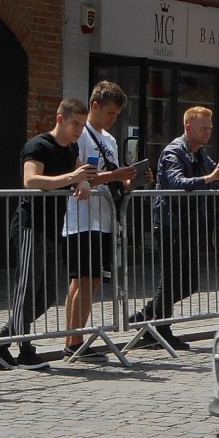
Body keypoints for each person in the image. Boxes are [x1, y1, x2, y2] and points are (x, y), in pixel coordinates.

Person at [0, 99, 96, 371]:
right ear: (60, 119)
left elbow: (81, 173)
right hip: (29, 225)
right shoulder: (38, 146)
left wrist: (82, 181)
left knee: (49, 290)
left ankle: (3, 340)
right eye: (75, 124)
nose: (78, 131)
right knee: (27, 287)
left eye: (82, 126)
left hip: (51, 227)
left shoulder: (71, 148)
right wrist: (72, 178)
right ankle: (25, 348)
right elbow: (30, 180)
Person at [130, 106, 219, 349]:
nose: (208, 132)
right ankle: (159, 329)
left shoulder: (200, 153)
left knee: (189, 282)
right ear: (189, 128)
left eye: (210, 128)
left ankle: (146, 317)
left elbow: (217, 172)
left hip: (190, 223)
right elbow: (176, 182)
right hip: (171, 222)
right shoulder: (174, 151)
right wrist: (208, 179)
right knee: (171, 278)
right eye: (204, 128)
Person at [62, 81, 140, 360]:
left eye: (117, 115)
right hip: (82, 216)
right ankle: (73, 341)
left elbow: (112, 178)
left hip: (103, 216)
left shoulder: (110, 139)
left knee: (92, 279)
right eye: (110, 113)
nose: (113, 119)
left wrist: (131, 179)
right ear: (95, 105)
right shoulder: (80, 135)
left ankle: (76, 339)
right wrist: (114, 176)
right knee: (81, 278)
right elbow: (80, 175)